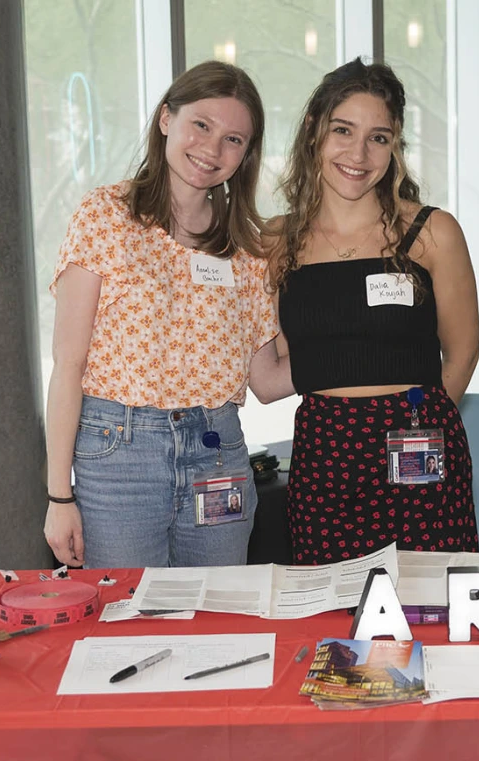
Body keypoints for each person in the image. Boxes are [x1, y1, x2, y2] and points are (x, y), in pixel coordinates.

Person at [43, 61, 293, 569]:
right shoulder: (106, 216)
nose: (212, 149)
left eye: (233, 140)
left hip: (217, 450)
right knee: (129, 625)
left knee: (220, 620)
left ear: (246, 156)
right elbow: (67, 367)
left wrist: (360, 356)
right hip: (119, 455)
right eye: (201, 125)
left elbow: (266, 380)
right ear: (165, 120)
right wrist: (58, 497)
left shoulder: (245, 247)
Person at [268, 58, 479, 564]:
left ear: (396, 144)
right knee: (330, 618)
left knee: (432, 604)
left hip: (418, 446)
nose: (358, 153)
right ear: (312, 130)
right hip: (325, 451)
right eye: (343, 130)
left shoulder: (432, 232)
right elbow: (278, 353)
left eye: (378, 137)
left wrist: (412, 420)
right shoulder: (277, 242)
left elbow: (463, 351)